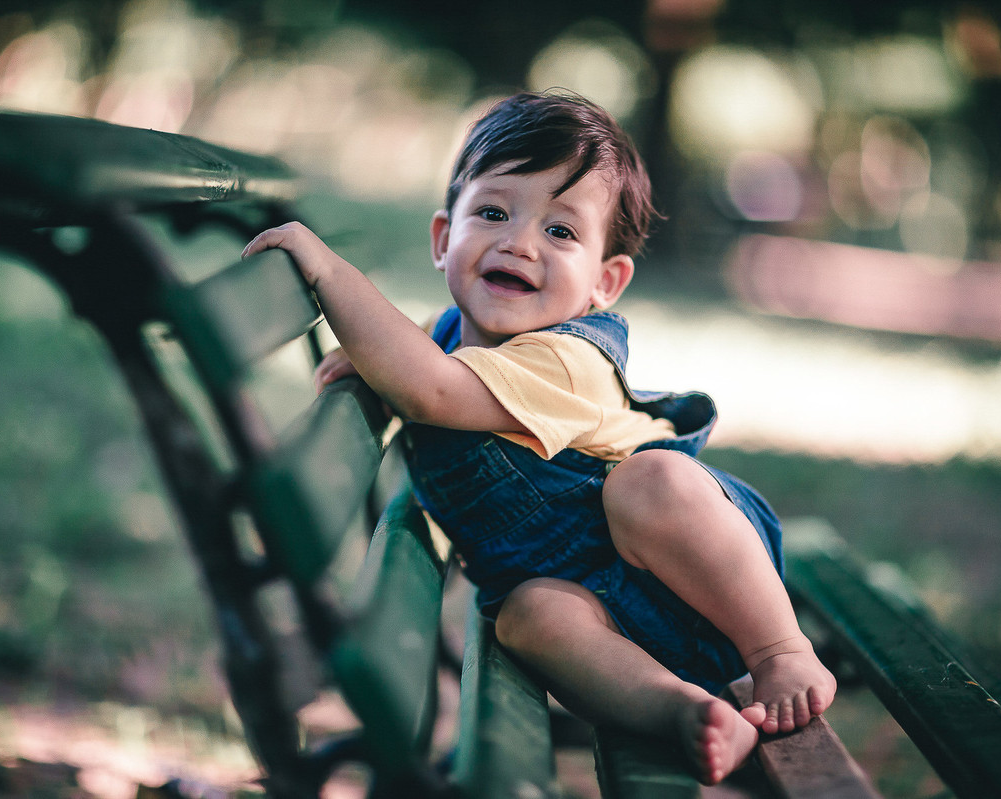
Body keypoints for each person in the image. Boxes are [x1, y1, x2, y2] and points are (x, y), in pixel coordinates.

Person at [242, 91, 836, 785]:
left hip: (696, 571)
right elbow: (425, 372)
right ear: (444, 239)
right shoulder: (443, 341)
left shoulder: (567, 359)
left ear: (604, 282)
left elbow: (431, 390)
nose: (519, 242)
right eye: (493, 212)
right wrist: (378, 365)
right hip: (603, 619)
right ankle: (682, 708)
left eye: (561, 231)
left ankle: (781, 650)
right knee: (524, 616)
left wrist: (330, 272)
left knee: (649, 481)